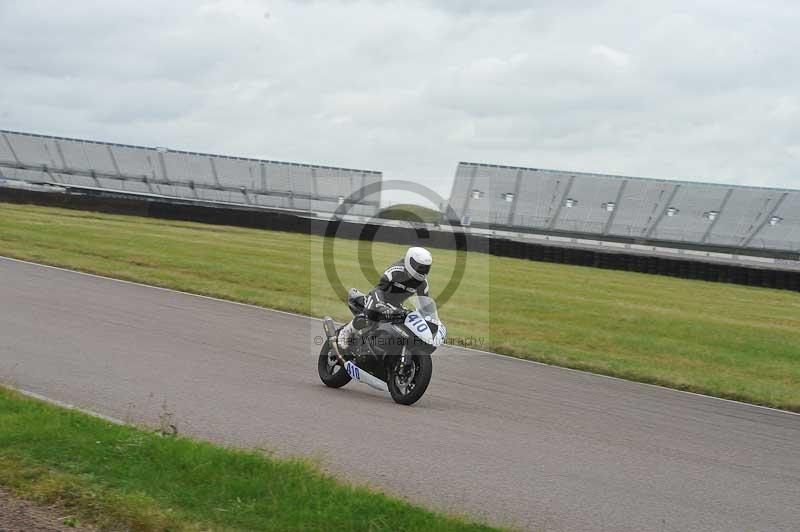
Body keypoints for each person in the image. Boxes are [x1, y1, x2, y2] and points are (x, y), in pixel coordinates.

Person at [337, 246, 432, 350]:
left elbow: (425, 304)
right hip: (378, 298)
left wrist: (428, 318)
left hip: (395, 305)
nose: (423, 271)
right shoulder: (396, 270)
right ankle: (346, 331)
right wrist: (380, 305)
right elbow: (379, 289)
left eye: (426, 268)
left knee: (406, 322)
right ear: (410, 261)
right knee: (371, 312)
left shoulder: (423, 283)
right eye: (420, 267)